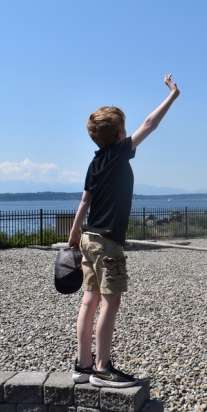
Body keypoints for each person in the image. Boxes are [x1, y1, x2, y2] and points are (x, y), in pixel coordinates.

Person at [68, 74, 180, 388]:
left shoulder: (95, 163)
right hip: (106, 242)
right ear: (119, 135)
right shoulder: (119, 154)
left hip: (89, 237)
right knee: (110, 301)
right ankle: (103, 369)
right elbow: (150, 124)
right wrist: (173, 95)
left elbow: (83, 203)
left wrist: (74, 238)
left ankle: (83, 365)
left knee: (89, 301)